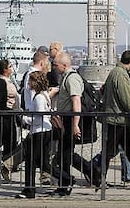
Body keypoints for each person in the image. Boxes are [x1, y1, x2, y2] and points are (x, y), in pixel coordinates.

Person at [90, 50, 130, 188]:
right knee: (110, 152)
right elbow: (126, 98)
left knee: (126, 152)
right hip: (117, 119)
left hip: (116, 118)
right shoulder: (120, 75)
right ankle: (96, 177)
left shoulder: (115, 72)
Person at [16, 71, 53, 199]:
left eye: (30, 81)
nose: (28, 83)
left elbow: (39, 118)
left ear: (35, 82)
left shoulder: (38, 98)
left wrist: (23, 118)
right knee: (41, 162)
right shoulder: (45, 95)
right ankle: (65, 179)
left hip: (39, 131)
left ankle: (29, 189)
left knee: (32, 161)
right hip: (44, 131)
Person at [51, 52, 83, 196]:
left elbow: (76, 101)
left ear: (64, 65)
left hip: (69, 119)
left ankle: (66, 184)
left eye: (56, 65)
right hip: (66, 118)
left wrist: (76, 124)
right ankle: (65, 183)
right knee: (65, 155)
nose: (54, 67)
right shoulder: (66, 78)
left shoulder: (71, 79)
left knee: (65, 155)